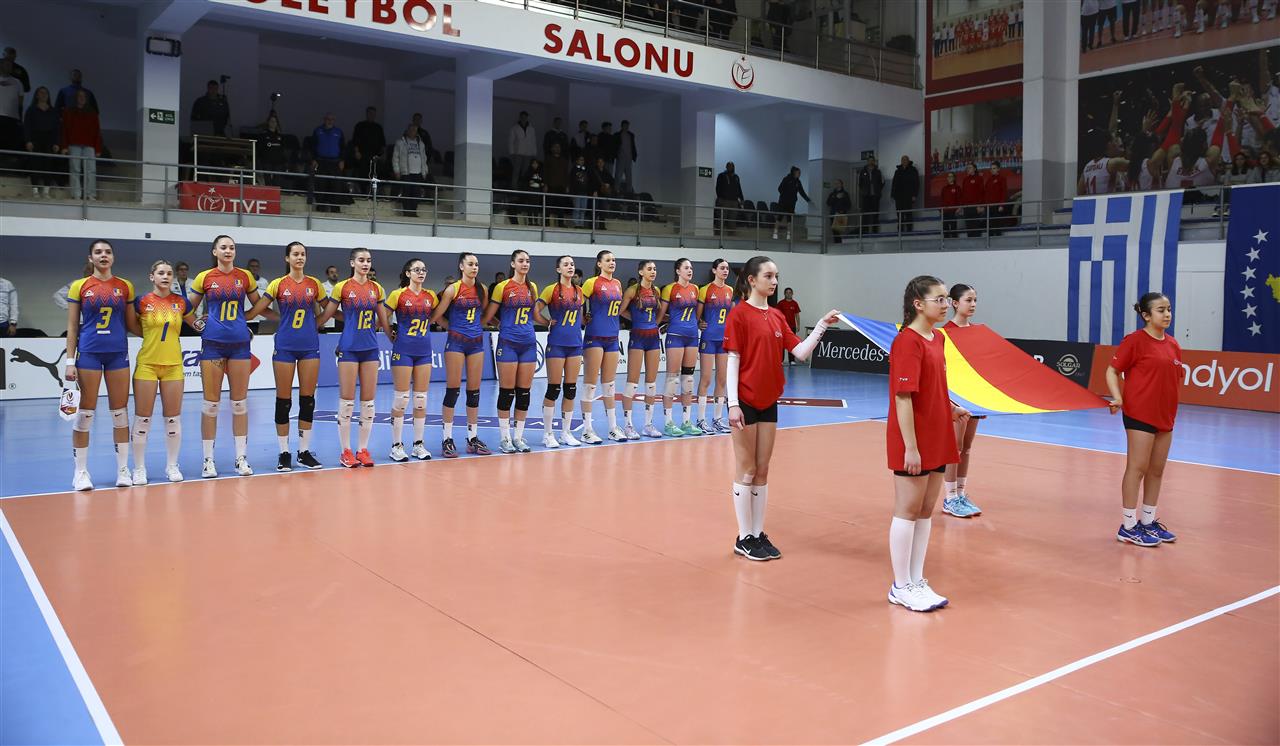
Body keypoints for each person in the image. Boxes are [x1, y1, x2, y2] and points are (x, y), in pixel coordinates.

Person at [725, 256, 837, 561]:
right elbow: (733, 360)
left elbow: (800, 352)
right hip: (745, 401)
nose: (774, 281)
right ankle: (744, 537)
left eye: (776, 276)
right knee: (746, 469)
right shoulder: (739, 314)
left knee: (762, 470)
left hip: (769, 400)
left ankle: (757, 533)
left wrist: (821, 326)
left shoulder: (776, 316)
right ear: (752, 280)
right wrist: (733, 404)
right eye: (768, 276)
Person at [886, 275, 968, 611]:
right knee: (907, 510)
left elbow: (934, 386)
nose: (946, 304)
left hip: (938, 433)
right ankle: (900, 585)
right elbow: (903, 397)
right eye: (940, 299)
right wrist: (911, 447)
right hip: (914, 439)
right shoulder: (907, 342)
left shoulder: (938, 339)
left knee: (925, 511)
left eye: (947, 298)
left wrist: (950, 407)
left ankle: (917, 579)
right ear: (918, 304)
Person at [1106, 292, 1181, 547]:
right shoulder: (1135, 341)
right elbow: (1112, 370)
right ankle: (1128, 526)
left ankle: (1148, 522)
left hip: (1166, 416)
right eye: (1161, 310)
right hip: (1139, 413)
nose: (1167, 314)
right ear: (1146, 315)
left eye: (1169, 309)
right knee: (1137, 468)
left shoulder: (1173, 344)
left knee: (1156, 471)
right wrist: (1118, 397)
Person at [248, 241, 326, 472]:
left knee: (308, 400)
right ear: (287, 258)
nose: (299, 257)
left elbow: (328, 309)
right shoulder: (278, 284)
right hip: (285, 346)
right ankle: (284, 452)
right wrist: (277, 318)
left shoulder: (314, 284)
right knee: (283, 401)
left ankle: (303, 451)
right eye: (295, 254)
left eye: (303, 254)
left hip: (309, 346)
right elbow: (258, 309)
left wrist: (316, 324)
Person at [65, 240, 137, 490]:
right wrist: (70, 361)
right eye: (98, 252)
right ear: (91, 258)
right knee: (85, 413)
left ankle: (123, 470)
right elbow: (72, 326)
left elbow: (132, 324)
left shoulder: (125, 286)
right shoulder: (80, 286)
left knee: (120, 413)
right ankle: (80, 472)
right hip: (89, 353)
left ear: (113, 257)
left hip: (117, 353)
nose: (103, 255)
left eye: (107, 252)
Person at [188, 235, 261, 478]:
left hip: (239, 346)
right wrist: (198, 325)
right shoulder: (205, 277)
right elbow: (187, 308)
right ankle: (208, 460)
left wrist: (244, 319)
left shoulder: (245, 276)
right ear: (215, 252)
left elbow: (258, 304)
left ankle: (241, 458)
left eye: (232, 247)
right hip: (213, 346)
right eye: (223, 247)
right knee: (210, 405)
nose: (228, 251)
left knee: (239, 404)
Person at [316, 248, 390, 468]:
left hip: (370, 349)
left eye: (368, 260)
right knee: (347, 403)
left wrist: (393, 337)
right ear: (352, 263)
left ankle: (363, 449)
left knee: (368, 403)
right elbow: (327, 314)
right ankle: (346, 451)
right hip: (348, 348)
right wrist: (307, 328)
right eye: (361, 260)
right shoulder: (342, 287)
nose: (365, 264)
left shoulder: (377, 288)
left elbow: (383, 319)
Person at [130, 260, 195, 484]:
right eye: (161, 273)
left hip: (173, 365)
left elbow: (197, 325)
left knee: (173, 419)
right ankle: (139, 468)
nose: (166, 276)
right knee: (142, 420)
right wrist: (151, 338)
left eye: (169, 273)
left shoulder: (181, 302)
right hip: (147, 364)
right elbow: (131, 325)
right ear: (152, 277)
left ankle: (172, 465)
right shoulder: (141, 302)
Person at [430, 253, 491, 457]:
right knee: (453, 391)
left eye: (477, 264)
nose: (474, 267)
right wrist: (452, 328)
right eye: (470, 264)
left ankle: (472, 438)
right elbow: (437, 315)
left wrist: (474, 328)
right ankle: (447, 438)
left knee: (474, 392)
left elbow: (483, 314)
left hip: (476, 343)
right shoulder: (453, 289)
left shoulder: (482, 289)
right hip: (456, 342)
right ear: (461, 266)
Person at [483, 250, 539, 453]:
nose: (525, 264)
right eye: (521, 261)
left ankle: (518, 437)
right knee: (507, 392)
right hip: (508, 343)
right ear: (513, 264)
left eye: (528, 261)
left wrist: (550, 322)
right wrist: (500, 325)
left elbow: (534, 315)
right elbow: (488, 316)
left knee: (524, 393)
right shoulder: (503, 287)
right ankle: (505, 438)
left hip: (528, 343)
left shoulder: (532, 287)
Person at [384, 258, 437, 462]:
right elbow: (383, 317)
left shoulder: (430, 296)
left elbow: (438, 315)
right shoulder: (398, 295)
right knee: (401, 399)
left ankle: (418, 445)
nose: (421, 273)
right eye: (416, 270)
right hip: (403, 350)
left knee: (421, 400)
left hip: (424, 351)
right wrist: (390, 334)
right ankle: (396, 446)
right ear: (408, 273)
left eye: (424, 269)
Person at [940, 284, 983, 518]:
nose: (973, 304)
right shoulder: (944, 333)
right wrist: (950, 401)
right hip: (955, 398)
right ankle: (950, 498)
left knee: (966, 448)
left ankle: (961, 493)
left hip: (974, 397)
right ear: (955, 303)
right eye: (968, 300)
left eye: (975, 300)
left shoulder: (978, 333)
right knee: (954, 448)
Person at [536, 256, 585, 448]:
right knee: (554, 388)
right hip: (556, 344)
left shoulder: (579, 291)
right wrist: (546, 322)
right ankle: (548, 434)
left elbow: (580, 317)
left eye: (572, 264)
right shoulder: (551, 290)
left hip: (575, 344)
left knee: (571, 389)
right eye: (566, 264)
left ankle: (566, 433)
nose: (570, 267)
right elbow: (534, 311)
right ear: (558, 269)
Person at [580, 250, 626, 443]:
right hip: (595, 337)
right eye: (608, 260)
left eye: (614, 260)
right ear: (599, 264)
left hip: (612, 337)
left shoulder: (617, 284)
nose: (612, 263)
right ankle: (587, 430)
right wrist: (582, 319)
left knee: (609, 385)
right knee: (590, 385)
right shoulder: (592, 282)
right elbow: (577, 302)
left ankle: (613, 428)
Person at [619, 260, 665, 440]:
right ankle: (628, 425)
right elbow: (620, 311)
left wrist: (655, 323)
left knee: (651, 384)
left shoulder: (656, 290)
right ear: (641, 272)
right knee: (632, 383)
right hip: (637, 337)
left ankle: (648, 425)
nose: (653, 272)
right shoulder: (632, 291)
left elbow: (658, 312)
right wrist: (636, 320)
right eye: (649, 269)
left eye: (655, 269)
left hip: (653, 338)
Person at [659, 259, 703, 436]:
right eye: (686, 268)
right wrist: (661, 325)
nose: (689, 270)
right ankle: (668, 423)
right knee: (672, 379)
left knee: (688, 380)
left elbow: (697, 314)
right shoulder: (670, 289)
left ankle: (686, 422)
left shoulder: (695, 289)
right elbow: (662, 314)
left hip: (692, 336)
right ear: (678, 271)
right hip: (675, 336)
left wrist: (700, 324)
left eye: (691, 268)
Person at [695, 259, 735, 434]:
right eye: (722, 268)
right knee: (706, 378)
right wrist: (699, 323)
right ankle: (700, 420)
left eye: (727, 268)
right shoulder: (705, 290)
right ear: (714, 270)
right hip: (709, 338)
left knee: (722, 379)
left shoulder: (730, 290)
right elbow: (697, 316)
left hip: (723, 340)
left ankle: (717, 419)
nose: (725, 271)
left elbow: (731, 315)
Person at [61, 89, 101, 201]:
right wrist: (64, 146)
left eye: (83, 96)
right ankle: (76, 194)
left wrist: (98, 148)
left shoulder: (92, 113)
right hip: (74, 144)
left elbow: (97, 131)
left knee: (91, 170)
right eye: (79, 96)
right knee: (75, 169)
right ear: (76, 98)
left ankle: (90, 194)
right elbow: (64, 130)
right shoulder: (68, 112)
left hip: (89, 145)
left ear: (86, 98)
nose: (82, 98)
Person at [24, 86, 61, 197]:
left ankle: (46, 191)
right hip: (35, 139)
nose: (44, 95)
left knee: (48, 165)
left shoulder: (53, 111)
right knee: (35, 164)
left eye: (46, 93)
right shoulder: (31, 110)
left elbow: (56, 128)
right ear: (37, 95)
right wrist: (28, 141)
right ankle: (35, 191)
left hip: (49, 140)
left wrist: (56, 143)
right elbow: (27, 126)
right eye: (41, 92)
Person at [392, 123, 431, 216]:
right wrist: (396, 170)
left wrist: (425, 171)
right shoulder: (400, 142)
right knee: (406, 192)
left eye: (415, 130)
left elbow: (424, 159)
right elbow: (395, 158)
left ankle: (413, 211)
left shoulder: (421, 144)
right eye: (411, 129)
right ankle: (407, 212)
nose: (413, 131)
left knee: (416, 193)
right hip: (406, 172)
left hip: (418, 173)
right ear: (408, 131)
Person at [309, 113, 345, 213]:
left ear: (334, 121)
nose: (330, 121)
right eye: (328, 119)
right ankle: (320, 207)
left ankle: (335, 209)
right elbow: (312, 146)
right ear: (324, 120)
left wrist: (342, 160)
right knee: (320, 184)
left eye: (332, 119)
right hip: (321, 162)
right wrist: (313, 159)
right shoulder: (317, 131)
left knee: (336, 185)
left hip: (335, 163)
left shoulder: (338, 132)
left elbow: (343, 147)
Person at [350, 106, 386, 187]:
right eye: (370, 113)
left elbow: (383, 143)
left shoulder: (378, 127)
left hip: (375, 156)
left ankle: (373, 192)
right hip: (363, 155)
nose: (371, 115)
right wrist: (357, 152)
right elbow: (355, 141)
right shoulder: (360, 125)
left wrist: (383, 155)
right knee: (363, 175)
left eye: (373, 114)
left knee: (375, 175)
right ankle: (363, 192)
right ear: (366, 114)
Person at [773, 166, 811, 240]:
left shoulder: (798, 182)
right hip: (783, 202)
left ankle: (788, 234)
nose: (799, 174)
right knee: (779, 217)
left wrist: (808, 200)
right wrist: (785, 196)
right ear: (794, 172)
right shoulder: (786, 179)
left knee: (790, 218)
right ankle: (775, 233)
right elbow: (779, 188)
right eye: (798, 173)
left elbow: (802, 192)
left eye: (800, 173)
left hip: (792, 203)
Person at [508, 111, 537, 189]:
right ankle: (514, 186)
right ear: (520, 117)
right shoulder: (514, 128)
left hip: (528, 153)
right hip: (518, 152)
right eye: (522, 117)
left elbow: (533, 141)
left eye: (525, 117)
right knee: (516, 171)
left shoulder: (531, 129)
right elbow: (511, 141)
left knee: (525, 171)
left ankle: (523, 187)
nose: (524, 118)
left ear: (527, 118)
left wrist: (534, 153)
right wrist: (512, 152)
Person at [891, 156, 920, 233]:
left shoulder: (913, 170)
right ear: (901, 161)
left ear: (908, 161)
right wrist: (893, 194)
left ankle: (909, 230)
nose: (904, 161)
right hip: (899, 196)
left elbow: (916, 183)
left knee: (908, 213)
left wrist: (914, 195)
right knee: (899, 214)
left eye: (905, 160)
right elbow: (894, 183)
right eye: (902, 160)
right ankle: (900, 230)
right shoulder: (897, 171)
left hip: (909, 196)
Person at [715, 162, 745, 234]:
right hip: (724, 200)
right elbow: (718, 188)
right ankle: (718, 234)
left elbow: (739, 188)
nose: (731, 167)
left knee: (733, 219)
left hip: (734, 201)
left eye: (732, 166)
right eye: (729, 166)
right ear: (726, 167)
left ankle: (731, 235)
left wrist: (742, 199)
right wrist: (720, 197)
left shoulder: (736, 177)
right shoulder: (721, 175)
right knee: (722, 218)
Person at [858, 157, 884, 233]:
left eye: (872, 161)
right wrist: (863, 191)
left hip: (875, 196)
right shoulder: (863, 171)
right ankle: (864, 231)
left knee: (875, 213)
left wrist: (878, 190)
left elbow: (882, 183)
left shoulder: (878, 171)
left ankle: (874, 231)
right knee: (865, 214)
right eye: (869, 161)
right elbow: (860, 184)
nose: (871, 162)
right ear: (867, 162)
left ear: (874, 162)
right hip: (866, 196)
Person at [776, 287, 801, 365]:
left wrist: (798, 325)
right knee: (781, 344)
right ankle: (781, 360)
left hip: (792, 327)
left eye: (790, 292)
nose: (788, 294)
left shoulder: (795, 303)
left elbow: (797, 315)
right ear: (784, 294)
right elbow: (776, 315)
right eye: (787, 292)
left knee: (792, 343)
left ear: (792, 294)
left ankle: (792, 360)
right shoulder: (781, 303)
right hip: (782, 327)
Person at [984, 162, 1010, 236]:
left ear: (998, 169)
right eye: (991, 168)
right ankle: (990, 241)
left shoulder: (1002, 179)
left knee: (997, 226)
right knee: (990, 228)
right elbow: (986, 193)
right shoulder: (989, 180)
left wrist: (1001, 205)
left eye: (994, 168)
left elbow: (1004, 193)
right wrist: (985, 205)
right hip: (989, 206)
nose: (992, 170)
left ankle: (998, 240)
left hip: (997, 206)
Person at [614, 120, 638, 194]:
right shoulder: (617, 134)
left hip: (629, 157)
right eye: (625, 125)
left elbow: (633, 145)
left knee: (629, 175)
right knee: (618, 175)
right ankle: (616, 190)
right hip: (621, 157)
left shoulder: (631, 135)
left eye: (627, 126)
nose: (626, 127)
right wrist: (616, 154)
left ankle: (629, 192)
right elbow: (615, 145)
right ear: (622, 126)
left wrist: (634, 155)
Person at [961, 162, 984, 237]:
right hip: (967, 207)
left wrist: (980, 205)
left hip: (975, 206)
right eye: (967, 168)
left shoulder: (979, 178)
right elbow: (963, 194)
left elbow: (981, 192)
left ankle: (977, 242)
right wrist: (963, 206)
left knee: (976, 226)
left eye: (970, 167)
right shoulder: (965, 180)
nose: (968, 169)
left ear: (975, 169)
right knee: (969, 227)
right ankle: (970, 242)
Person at [826, 179, 852, 243]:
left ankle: (840, 242)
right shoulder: (832, 194)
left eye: (838, 183)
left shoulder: (845, 194)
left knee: (840, 230)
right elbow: (828, 203)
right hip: (833, 214)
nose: (837, 185)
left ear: (841, 184)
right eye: (835, 183)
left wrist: (843, 210)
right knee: (834, 230)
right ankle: (837, 243)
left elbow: (849, 205)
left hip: (841, 214)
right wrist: (836, 197)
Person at [940, 172, 962, 238]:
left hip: (953, 211)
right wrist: (941, 210)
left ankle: (954, 242)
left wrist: (959, 208)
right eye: (948, 176)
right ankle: (945, 243)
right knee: (945, 228)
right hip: (945, 211)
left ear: (954, 178)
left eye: (951, 176)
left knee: (953, 228)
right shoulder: (944, 188)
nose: (949, 178)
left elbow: (960, 199)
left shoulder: (957, 187)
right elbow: (942, 199)